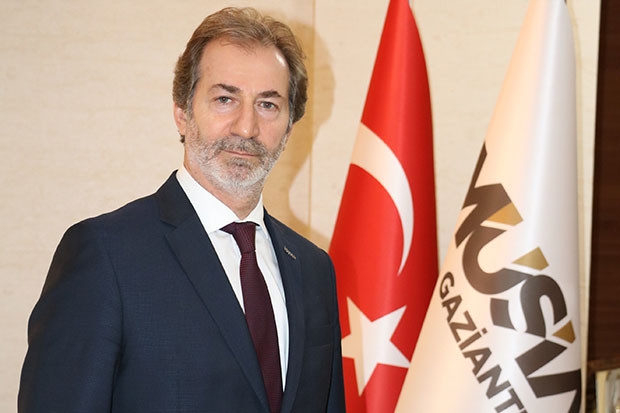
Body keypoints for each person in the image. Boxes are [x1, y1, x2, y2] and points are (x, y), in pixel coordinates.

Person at [18, 7, 345, 413]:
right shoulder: (106, 255)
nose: (246, 128)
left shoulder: (314, 269)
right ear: (182, 113)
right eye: (225, 99)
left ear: (289, 127)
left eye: (267, 104)